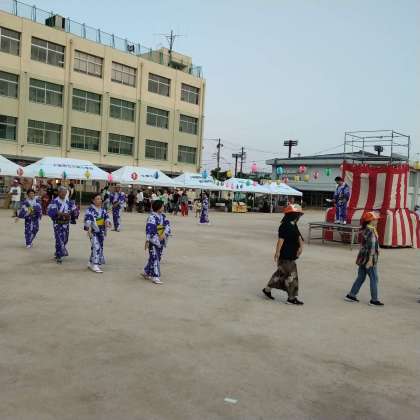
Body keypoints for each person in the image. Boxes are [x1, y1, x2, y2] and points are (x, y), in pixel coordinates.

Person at [262, 204, 304, 305]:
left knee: (280, 274)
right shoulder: (284, 225)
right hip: (286, 255)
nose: (299, 217)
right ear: (293, 215)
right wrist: (277, 252)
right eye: (298, 214)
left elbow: (299, 236)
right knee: (292, 275)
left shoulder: (293, 224)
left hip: (291, 255)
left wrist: (301, 247)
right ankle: (291, 298)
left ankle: (267, 289)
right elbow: (281, 240)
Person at [345, 212, 384, 306]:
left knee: (361, 277)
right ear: (370, 221)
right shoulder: (371, 231)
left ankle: (351, 295)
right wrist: (370, 260)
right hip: (369, 258)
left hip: (362, 257)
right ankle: (374, 300)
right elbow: (372, 247)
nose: (377, 221)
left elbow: (365, 244)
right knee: (374, 278)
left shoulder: (366, 229)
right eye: (375, 219)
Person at [47, 186, 79, 264]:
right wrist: (62, 214)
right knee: (59, 239)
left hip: (66, 224)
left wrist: (74, 213)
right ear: (58, 192)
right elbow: (51, 211)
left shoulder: (69, 201)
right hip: (57, 223)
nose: (63, 193)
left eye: (65, 192)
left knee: (65, 239)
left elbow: (75, 210)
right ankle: (59, 256)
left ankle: (58, 251)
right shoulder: (55, 201)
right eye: (62, 192)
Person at [142, 200, 171, 285]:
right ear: (158, 207)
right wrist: (148, 240)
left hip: (161, 239)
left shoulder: (163, 216)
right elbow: (149, 229)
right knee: (155, 257)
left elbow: (167, 225)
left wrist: (164, 234)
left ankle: (146, 272)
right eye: (162, 206)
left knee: (157, 257)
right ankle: (155, 276)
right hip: (153, 240)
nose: (163, 207)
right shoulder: (152, 217)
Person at [84, 193, 112, 273]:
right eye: (98, 199)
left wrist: (107, 222)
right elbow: (87, 220)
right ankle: (95, 265)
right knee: (96, 246)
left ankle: (90, 262)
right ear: (93, 200)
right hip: (93, 231)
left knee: (98, 246)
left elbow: (106, 217)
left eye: (100, 199)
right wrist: (88, 228)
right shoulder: (89, 210)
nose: (100, 200)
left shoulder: (103, 209)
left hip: (101, 231)